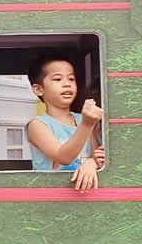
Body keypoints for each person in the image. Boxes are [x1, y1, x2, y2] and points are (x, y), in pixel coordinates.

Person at [26, 54, 105, 192]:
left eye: (71, 79)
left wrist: (91, 164)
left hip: (83, 194)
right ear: (39, 89)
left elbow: (96, 155)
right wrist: (87, 125)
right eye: (57, 79)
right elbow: (63, 157)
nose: (67, 83)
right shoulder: (38, 125)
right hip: (51, 195)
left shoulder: (83, 118)